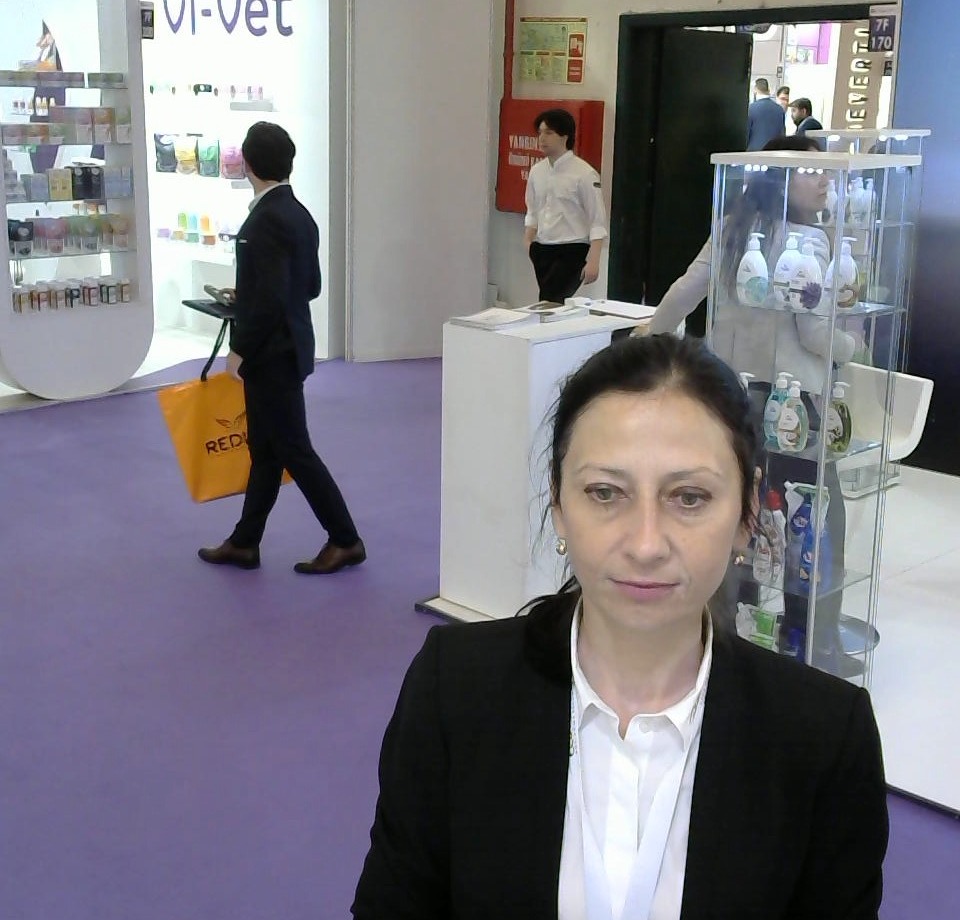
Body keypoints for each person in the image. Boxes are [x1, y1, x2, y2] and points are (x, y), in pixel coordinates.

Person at [352, 334, 888, 919]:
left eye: (689, 497)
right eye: (605, 493)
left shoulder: (824, 739)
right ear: (558, 504)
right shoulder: (454, 689)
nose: (645, 544)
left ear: (747, 512)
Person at [643, 134, 859, 676]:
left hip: (732, 394)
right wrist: (853, 344)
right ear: (781, 178)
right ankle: (813, 645)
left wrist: (648, 336)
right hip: (797, 401)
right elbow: (817, 335)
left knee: (739, 514)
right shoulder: (809, 241)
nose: (824, 180)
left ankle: (732, 634)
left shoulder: (732, 226)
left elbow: (686, 290)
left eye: (827, 172)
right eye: (811, 171)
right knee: (814, 520)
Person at [198, 122, 366, 576]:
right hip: (289, 346)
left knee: (293, 449)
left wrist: (240, 347)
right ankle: (244, 541)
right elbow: (307, 286)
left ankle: (345, 539)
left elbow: (272, 298)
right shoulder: (299, 214)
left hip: (271, 353)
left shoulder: (264, 220)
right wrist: (253, 293)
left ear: (248, 165)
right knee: (268, 451)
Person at [524, 108, 608, 303]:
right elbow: (533, 209)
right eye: (540, 133)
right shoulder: (537, 171)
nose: (542, 138)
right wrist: (528, 242)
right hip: (543, 247)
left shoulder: (584, 173)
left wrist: (594, 260)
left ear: (564, 136)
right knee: (549, 302)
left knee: (551, 300)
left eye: (549, 133)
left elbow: (597, 219)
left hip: (572, 248)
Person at [746, 77, 786, 151]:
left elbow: (746, 134)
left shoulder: (750, 109)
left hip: (754, 152)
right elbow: (782, 134)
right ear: (768, 90)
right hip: (774, 152)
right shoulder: (779, 109)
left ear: (755, 90)